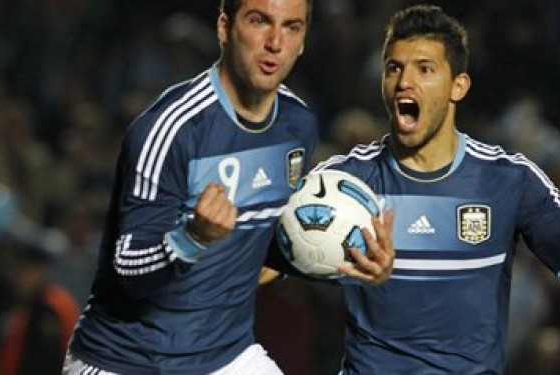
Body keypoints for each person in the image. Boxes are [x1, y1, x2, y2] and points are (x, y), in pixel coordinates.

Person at [64, 0, 393, 374]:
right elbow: (128, 272)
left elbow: (266, 249)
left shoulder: (297, 125)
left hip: (226, 356)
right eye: (259, 21)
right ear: (224, 27)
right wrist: (193, 236)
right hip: (126, 360)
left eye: (291, 27)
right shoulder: (171, 129)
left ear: (302, 41)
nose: (275, 42)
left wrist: (349, 261)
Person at [310, 5, 560, 374]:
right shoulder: (342, 182)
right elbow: (272, 260)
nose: (405, 82)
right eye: (394, 68)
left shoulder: (508, 181)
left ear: (459, 85)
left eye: (425, 69)